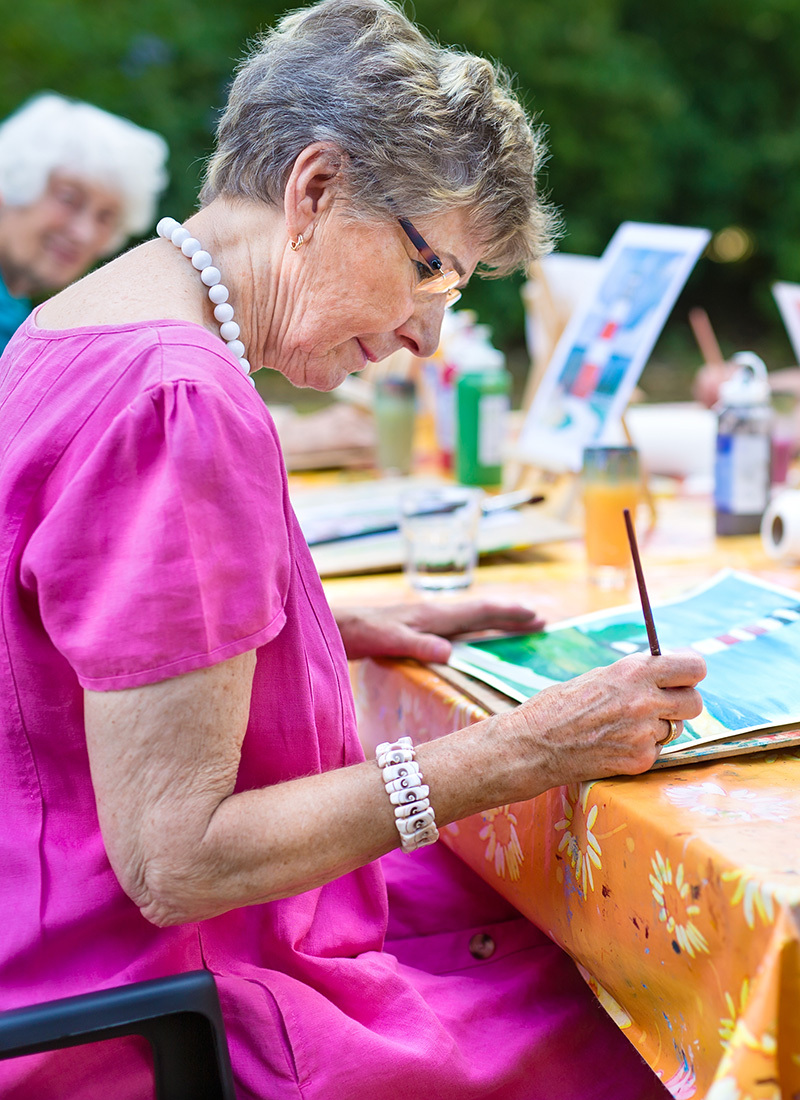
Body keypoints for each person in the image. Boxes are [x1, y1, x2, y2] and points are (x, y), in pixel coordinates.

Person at [0, 2, 706, 1097]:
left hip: (49, 929)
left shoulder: (75, 322)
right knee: (657, 1011)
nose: (428, 332)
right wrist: (517, 751)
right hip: (153, 1006)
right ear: (315, 189)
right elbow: (176, 860)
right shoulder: (179, 399)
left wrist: (303, 629)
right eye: (434, 272)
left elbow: (71, 651)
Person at [0, 92, 168, 350]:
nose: (83, 233)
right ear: (12, 184)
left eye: (106, 217)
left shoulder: (19, 324)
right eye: (68, 198)